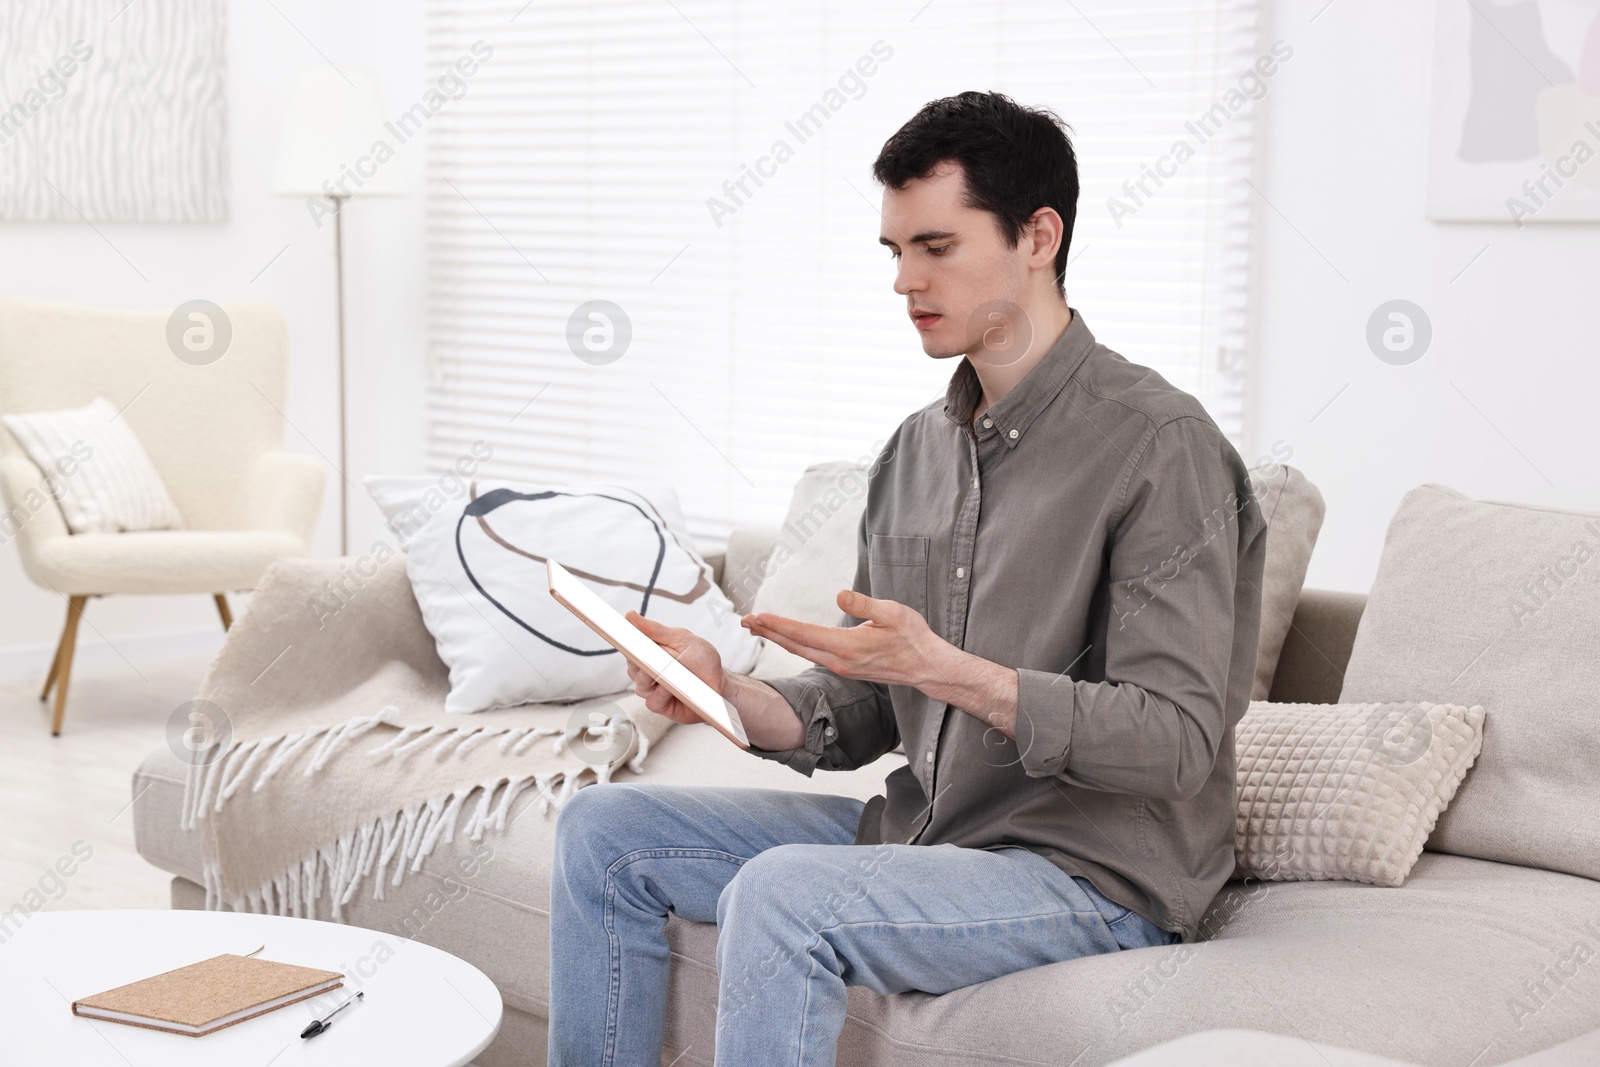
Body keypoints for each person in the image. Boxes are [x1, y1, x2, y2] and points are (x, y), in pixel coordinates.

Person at [547, 90, 1267, 1067]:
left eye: (935, 246)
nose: (904, 280)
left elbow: (1177, 738)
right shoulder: (913, 453)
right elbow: (872, 705)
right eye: (893, 251)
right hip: (930, 837)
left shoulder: (1160, 446)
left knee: (782, 893)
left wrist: (952, 671)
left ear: (1037, 236)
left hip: (1092, 876)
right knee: (602, 828)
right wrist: (729, 694)